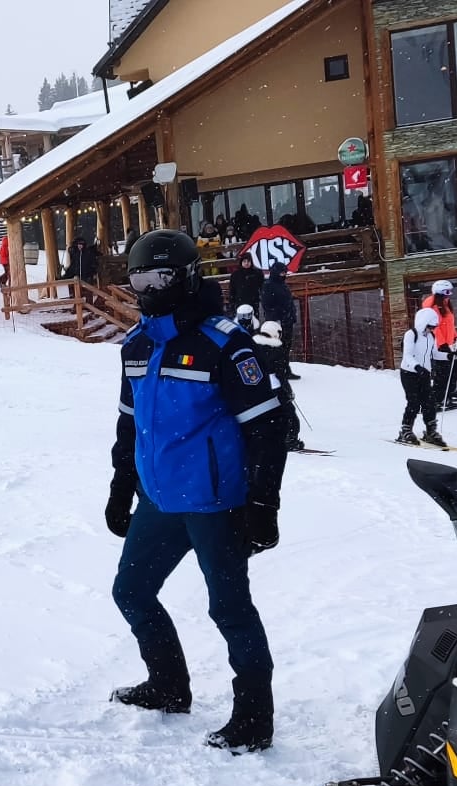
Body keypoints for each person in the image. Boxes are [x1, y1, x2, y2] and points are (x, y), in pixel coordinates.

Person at [104, 229, 288, 753]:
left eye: (160, 277)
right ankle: (167, 684)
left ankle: (253, 717)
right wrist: (121, 486)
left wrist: (263, 503)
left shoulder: (223, 343)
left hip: (216, 504)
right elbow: (129, 424)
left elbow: (268, 427)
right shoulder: (137, 344)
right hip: (159, 501)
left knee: (230, 609)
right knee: (131, 591)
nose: (149, 289)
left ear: (186, 277)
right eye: (139, 278)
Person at [396, 306, 445, 447]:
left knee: (429, 402)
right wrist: (417, 367)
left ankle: (431, 431)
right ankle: (406, 430)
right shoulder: (411, 334)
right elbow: (407, 355)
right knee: (414, 402)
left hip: (424, 374)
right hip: (409, 373)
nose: (431, 330)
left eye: (433, 327)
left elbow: (434, 354)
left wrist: (448, 355)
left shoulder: (431, 337)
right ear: (423, 323)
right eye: (430, 327)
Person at [253, 321, 306, 452]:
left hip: (258, 387)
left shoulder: (253, 346)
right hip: (275, 388)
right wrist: (287, 391)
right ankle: (290, 440)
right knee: (289, 414)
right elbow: (280, 374)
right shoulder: (276, 350)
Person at [421, 281, 457, 406]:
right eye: (447, 292)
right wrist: (442, 344)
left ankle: (450, 391)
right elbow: (435, 328)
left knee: (455, 366)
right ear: (439, 292)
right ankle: (438, 398)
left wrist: (456, 337)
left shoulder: (445, 304)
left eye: (450, 291)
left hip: (449, 344)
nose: (449, 294)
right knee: (443, 372)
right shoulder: (432, 307)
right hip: (439, 346)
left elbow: (449, 325)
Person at [259, 263, 299, 379]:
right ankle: (278, 371)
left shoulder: (282, 284)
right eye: (282, 272)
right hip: (277, 322)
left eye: (285, 272)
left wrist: (291, 314)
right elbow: (267, 305)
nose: (284, 274)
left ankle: (285, 370)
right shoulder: (268, 285)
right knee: (278, 347)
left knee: (286, 346)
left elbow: (287, 302)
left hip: (287, 320)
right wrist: (278, 317)